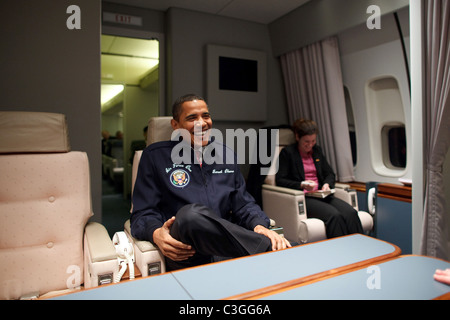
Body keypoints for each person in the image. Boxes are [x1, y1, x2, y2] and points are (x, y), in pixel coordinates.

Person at [130, 94, 290, 270]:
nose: (202, 123)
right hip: (185, 251)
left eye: (205, 116)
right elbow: (142, 213)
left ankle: (264, 248)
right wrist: (155, 233)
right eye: (192, 118)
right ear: (175, 125)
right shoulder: (154, 157)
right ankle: (268, 248)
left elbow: (243, 204)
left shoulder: (225, 155)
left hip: (228, 249)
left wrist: (258, 225)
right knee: (189, 215)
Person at [276, 118, 363, 238]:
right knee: (334, 216)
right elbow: (280, 180)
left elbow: (330, 174)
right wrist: (302, 184)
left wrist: (327, 184)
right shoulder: (288, 153)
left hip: (321, 194)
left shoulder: (317, 151)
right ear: (297, 137)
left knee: (351, 213)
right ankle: (341, 251)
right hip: (305, 197)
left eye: (313, 141)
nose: (310, 145)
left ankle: (359, 246)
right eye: (306, 141)